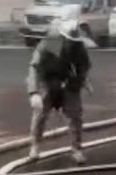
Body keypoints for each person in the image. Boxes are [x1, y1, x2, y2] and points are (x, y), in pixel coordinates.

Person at [27, 19, 91, 164]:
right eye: (68, 40)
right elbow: (34, 69)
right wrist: (34, 92)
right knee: (40, 114)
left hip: (69, 82)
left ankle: (76, 148)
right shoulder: (46, 45)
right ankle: (35, 146)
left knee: (75, 115)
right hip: (48, 82)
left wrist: (82, 80)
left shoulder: (79, 48)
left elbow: (84, 67)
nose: (71, 43)